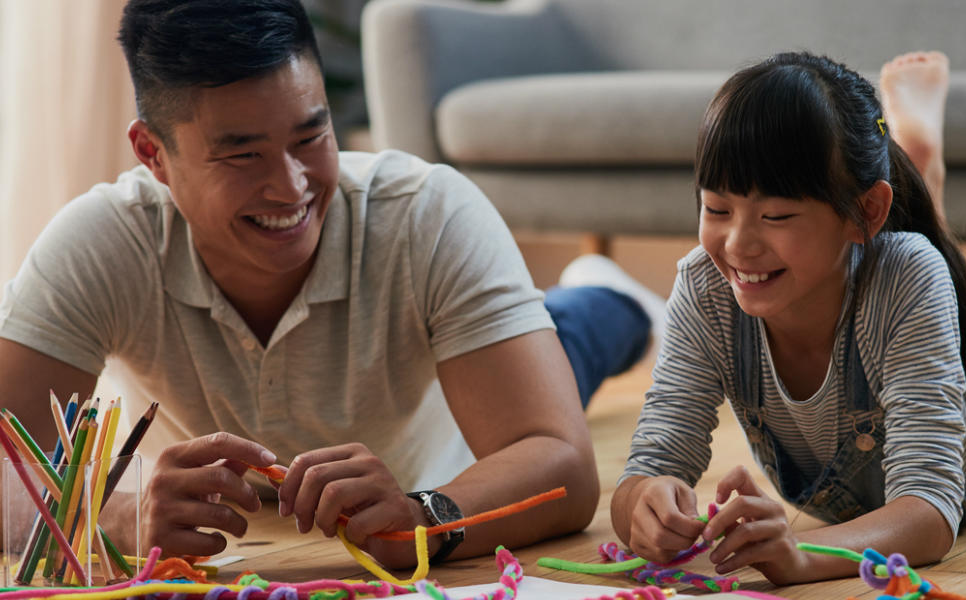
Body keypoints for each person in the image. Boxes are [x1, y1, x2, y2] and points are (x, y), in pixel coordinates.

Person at [0, 0, 659, 569]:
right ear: (152, 155)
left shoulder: (428, 215)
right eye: (242, 154)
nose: (291, 188)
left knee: (575, 339)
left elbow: (561, 466)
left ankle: (611, 299)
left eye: (311, 135)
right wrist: (118, 517)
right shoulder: (101, 241)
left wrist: (422, 517)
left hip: (457, 430)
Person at [610, 50, 966, 584]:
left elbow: (928, 513)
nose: (737, 245)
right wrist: (646, 504)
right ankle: (918, 164)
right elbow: (647, 468)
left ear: (865, 212)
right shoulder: (705, 285)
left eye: (778, 216)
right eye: (716, 208)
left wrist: (801, 551)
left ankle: (920, 168)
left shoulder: (907, 276)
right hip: (873, 440)